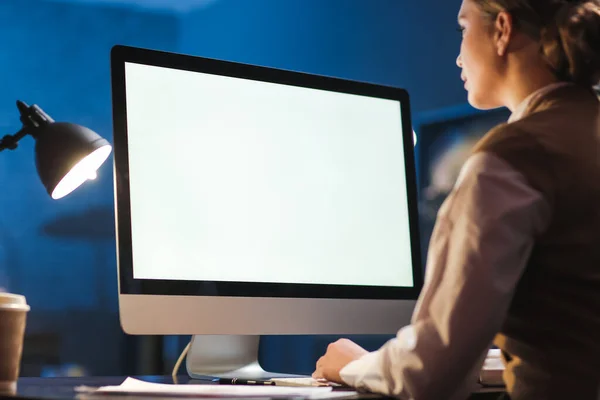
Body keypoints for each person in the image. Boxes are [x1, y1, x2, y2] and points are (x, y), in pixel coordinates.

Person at [312, 0, 600, 399]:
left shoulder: (512, 158)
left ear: (502, 29)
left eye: (463, 29)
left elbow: (430, 372)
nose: (458, 55)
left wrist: (351, 366)